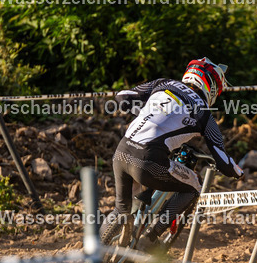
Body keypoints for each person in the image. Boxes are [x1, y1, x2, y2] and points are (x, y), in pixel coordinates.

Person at [99, 57, 244, 252]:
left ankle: (92, 260)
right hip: (147, 161)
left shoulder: (164, 83)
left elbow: (123, 96)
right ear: (211, 86)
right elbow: (224, 161)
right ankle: (150, 236)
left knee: (120, 209)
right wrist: (238, 173)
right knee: (193, 186)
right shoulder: (204, 113)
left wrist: (147, 114)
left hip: (121, 153)